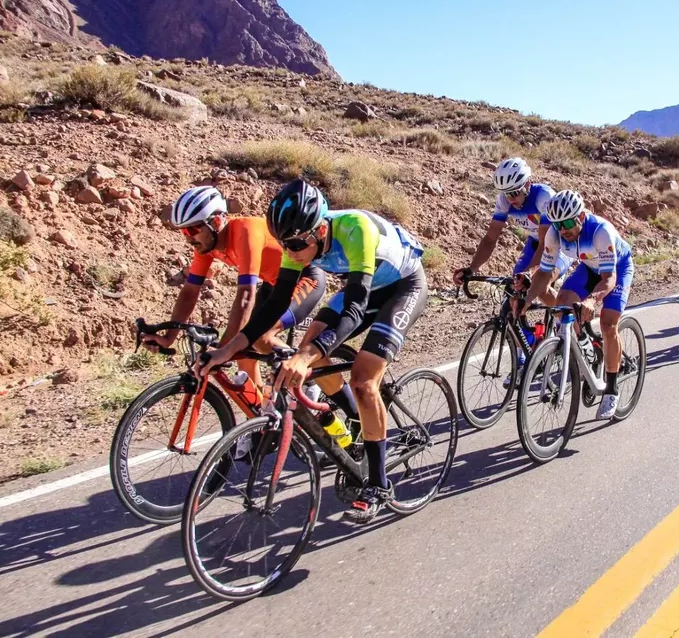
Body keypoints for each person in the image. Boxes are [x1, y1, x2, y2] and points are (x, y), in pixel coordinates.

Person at [197, 180, 428, 524]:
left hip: (403, 286)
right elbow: (272, 306)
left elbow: (353, 310)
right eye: (283, 244)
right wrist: (227, 350)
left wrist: (304, 359)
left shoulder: (355, 230)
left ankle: (379, 485)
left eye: (294, 244)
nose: (289, 252)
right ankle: (352, 417)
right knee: (311, 347)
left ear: (319, 229)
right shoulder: (297, 243)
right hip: (366, 288)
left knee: (364, 379)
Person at [142, 186, 326, 390]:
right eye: (184, 231)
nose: (188, 238)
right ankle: (262, 416)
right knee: (244, 354)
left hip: (305, 278)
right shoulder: (205, 246)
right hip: (274, 284)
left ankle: (307, 378)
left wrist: (221, 350)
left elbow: (246, 296)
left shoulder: (245, 231)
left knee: (259, 337)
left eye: (193, 230)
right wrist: (169, 337)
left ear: (216, 222)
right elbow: (190, 291)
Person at [515, 190, 634, 421]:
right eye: (558, 225)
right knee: (563, 303)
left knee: (609, 324)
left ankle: (611, 389)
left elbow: (609, 279)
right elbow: (543, 274)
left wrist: (591, 300)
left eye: (568, 223)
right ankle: (586, 346)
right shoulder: (554, 234)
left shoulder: (600, 231)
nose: (564, 230)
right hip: (589, 269)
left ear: (580, 217)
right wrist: (528, 300)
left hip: (617, 269)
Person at [453, 157, 569, 300]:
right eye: (506, 193)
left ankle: (568, 316)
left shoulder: (543, 197)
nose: (510, 199)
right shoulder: (504, 200)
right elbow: (490, 239)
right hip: (535, 243)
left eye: (514, 193)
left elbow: (546, 243)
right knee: (514, 289)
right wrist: (471, 269)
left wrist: (529, 274)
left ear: (527, 184)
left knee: (538, 285)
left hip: (560, 245)